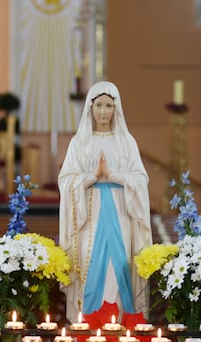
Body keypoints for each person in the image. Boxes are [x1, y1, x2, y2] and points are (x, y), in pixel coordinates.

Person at [58, 81, 152, 324]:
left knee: (117, 265)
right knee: (89, 265)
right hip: (88, 213)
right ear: (90, 107)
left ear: (116, 108)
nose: (103, 111)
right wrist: (92, 177)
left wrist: (113, 176)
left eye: (108, 105)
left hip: (121, 212)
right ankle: (89, 326)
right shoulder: (79, 143)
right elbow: (66, 179)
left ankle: (120, 324)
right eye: (98, 105)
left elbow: (140, 179)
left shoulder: (126, 142)